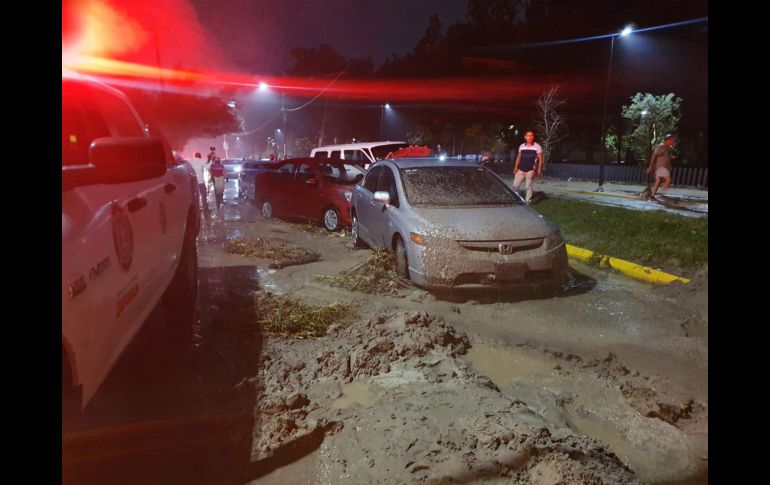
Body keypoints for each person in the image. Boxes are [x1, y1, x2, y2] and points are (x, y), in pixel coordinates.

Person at [512, 130, 543, 203]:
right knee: (515, 185)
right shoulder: (522, 146)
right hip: (521, 169)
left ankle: (528, 201)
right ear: (525, 137)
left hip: (530, 169)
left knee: (528, 186)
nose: (530, 137)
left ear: (533, 136)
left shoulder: (537, 146)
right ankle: (517, 198)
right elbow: (519, 157)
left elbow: (540, 159)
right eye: (528, 136)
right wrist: (515, 167)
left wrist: (539, 169)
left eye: (531, 135)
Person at [647, 134, 676, 198]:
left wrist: (671, 157)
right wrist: (650, 166)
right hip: (661, 167)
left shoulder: (667, 148)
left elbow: (664, 156)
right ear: (668, 140)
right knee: (668, 179)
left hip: (663, 167)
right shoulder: (661, 146)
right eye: (672, 141)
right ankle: (662, 192)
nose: (673, 142)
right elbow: (654, 155)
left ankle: (652, 194)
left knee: (658, 181)